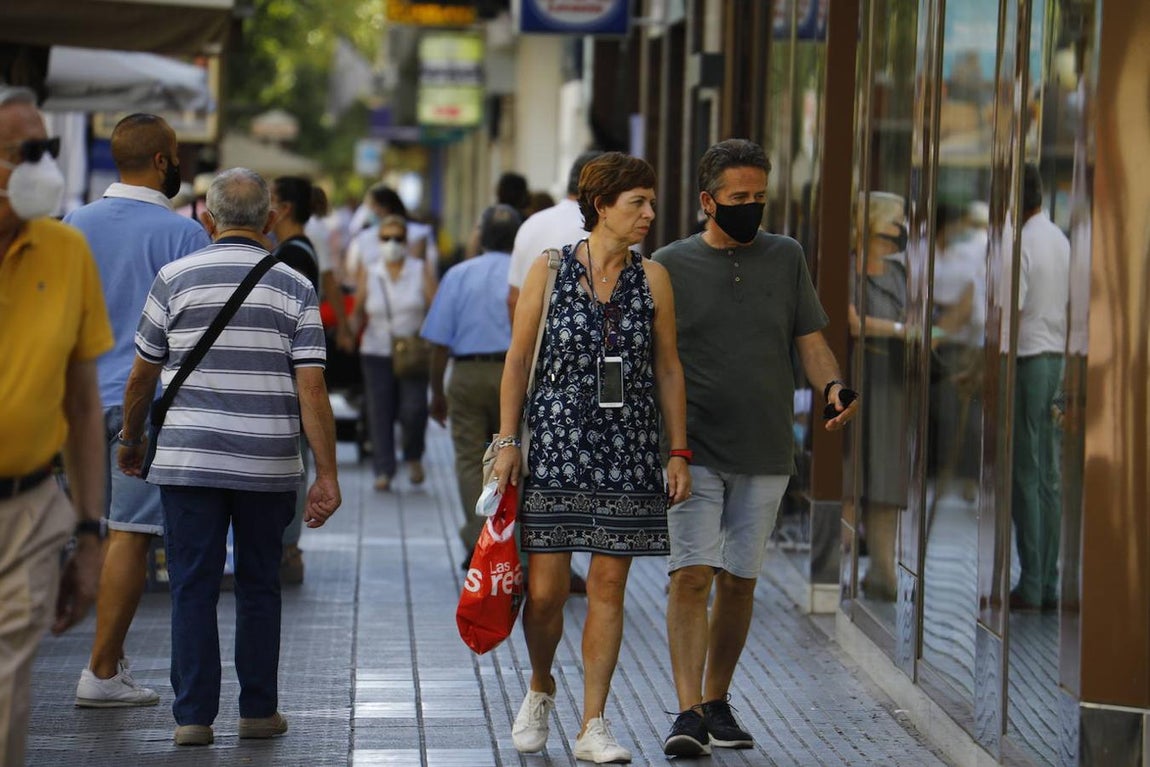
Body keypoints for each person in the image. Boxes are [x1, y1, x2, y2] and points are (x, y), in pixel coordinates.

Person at [116, 167, 341, 746]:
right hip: (267, 464)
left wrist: (132, 439)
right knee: (260, 585)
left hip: (188, 462)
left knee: (192, 584)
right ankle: (258, 711)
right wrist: (327, 474)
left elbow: (142, 375)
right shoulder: (294, 285)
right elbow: (311, 388)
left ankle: (193, 717)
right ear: (268, 220)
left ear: (206, 218)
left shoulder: (174, 278)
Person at [653, 139, 858, 757]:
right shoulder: (668, 265)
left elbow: (810, 339)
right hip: (693, 448)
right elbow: (655, 361)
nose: (751, 208)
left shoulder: (785, 256)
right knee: (691, 575)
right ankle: (687, 712)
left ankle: (716, 699)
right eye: (738, 198)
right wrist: (666, 446)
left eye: (759, 198)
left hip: (767, 447)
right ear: (707, 201)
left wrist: (833, 385)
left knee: (740, 581)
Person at [491, 152, 691, 764]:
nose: (649, 215)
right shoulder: (548, 272)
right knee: (547, 594)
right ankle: (541, 684)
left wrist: (676, 450)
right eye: (638, 203)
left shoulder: (652, 278)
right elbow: (518, 361)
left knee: (608, 585)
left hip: (628, 450)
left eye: (651, 203)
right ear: (601, 206)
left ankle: (593, 723)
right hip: (554, 445)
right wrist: (506, 442)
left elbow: (667, 366)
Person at [64, 113, 211, 708]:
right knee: (131, 534)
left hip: (76, 402)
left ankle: (112, 660)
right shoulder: (183, 236)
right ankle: (100, 673)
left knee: (92, 530)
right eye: (174, 155)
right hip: (141, 406)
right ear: (160, 162)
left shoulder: (73, 225)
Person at [0, 85, 112, 765]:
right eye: (28, 151)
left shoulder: (67, 252)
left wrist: (91, 531)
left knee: (8, 683)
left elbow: (80, 404)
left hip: (30, 505)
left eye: (49, 148)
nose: (43, 165)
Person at [421, 204, 521, 557]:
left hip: (466, 373)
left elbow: (438, 342)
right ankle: (516, 545)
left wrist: (436, 392)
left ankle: (480, 543)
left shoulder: (459, 275)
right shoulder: (527, 274)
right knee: (515, 457)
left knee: (468, 460)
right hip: (516, 374)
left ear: (481, 235)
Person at [1009, 164, 1069, 612]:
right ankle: (1048, 581)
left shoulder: (1022, 242)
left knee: (1026, 474)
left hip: (1028, 360)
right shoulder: (1059, 238)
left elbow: (1011, 311)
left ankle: (1030, 583)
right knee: (1048, 475)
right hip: (1056, 361)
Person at [848, 191, 909, 603]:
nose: (901, 229)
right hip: (856, 377)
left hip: (892, 381)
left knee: (886, 479)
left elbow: (921, 315)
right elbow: (853, 323)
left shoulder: (900, 273)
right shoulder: (847, 267)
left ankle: (884, 571)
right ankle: (841, 567)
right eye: (896, 220)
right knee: (851, 478)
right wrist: (905, 330)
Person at [353, 214, 437, 491]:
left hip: (412, 350)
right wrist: (347, 331)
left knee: (414, 408)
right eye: (385, 238)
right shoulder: (370, 270)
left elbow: (435, 307)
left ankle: (413, 455)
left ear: (406, 241)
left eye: (397, 238)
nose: (392, 243)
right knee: (380, 411)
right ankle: (384, 469)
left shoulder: (419, 269)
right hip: (375, 350)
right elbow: (358, 309)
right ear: (378, 242)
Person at [506, 150, 603, 320]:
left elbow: (514, 297)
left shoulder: (531, 224)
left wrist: (523, 341)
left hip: (534, 336)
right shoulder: (603, 227)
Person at [348, 184, 439, 272]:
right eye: (385, 239)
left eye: (399, 239)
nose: (369, 211)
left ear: (385, 207)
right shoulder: (366, 235)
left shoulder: (418, 233)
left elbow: (419, 268)